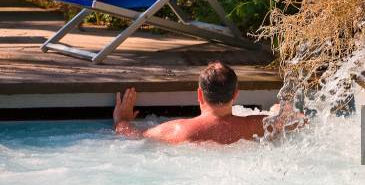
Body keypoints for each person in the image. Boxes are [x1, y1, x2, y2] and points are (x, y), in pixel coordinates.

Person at [113, 61, 272, 144]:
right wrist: (278, 108)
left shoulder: (179, 130)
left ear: (200, 94)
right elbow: (293, 120)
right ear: (235, 95)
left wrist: (121, 120)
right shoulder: (256, 125)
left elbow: (135, 136)